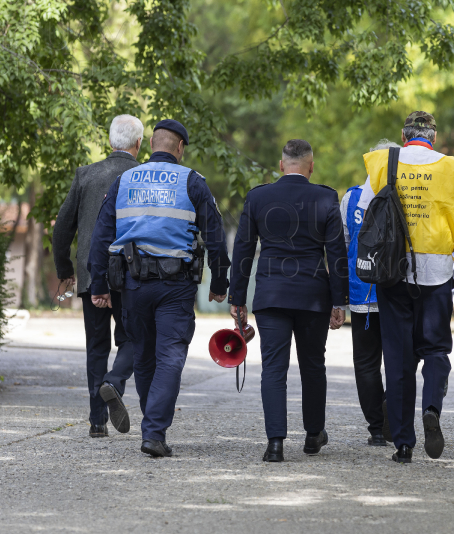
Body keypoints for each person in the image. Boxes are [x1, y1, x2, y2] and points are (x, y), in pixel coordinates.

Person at [88, 119, 231, 458]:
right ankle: (153, 432)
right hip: (175, 286)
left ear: (151, 143)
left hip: (133, 284)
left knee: (145, 355)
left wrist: (99, 284)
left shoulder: (124, 180)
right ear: (180, 147)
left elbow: (100, 236)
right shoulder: (191, 181)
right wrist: (221, 282)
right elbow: (216, 236)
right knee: (170, 356)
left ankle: (151, 428)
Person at [358, 112, 454, 463]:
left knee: (397, 358)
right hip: (437, 274)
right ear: (434, 137)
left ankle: (404, 444)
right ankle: (432, 410)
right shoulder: (453, 170)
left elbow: (367, 215)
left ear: (403, 135)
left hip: (393, 274)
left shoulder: (383, 163)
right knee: (437, 350)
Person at [229, 139, 349, 463]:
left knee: (274, 369)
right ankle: (313, 435)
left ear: (281, 165)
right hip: (313, 296)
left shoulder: (257, 197)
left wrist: (237, 299)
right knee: (313, 365)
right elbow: (336, 252)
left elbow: (242, 249)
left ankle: (275, 444)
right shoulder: (326, 198)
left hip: (271, 295)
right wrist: (340, 302)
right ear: (311, 166)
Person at [52, 115, 141, 438]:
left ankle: (96, 421)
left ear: (110, 142)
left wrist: (65, 269)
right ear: (139, 143)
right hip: (133, 275)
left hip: (91, 274)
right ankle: (114, 383)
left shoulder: (86, 175)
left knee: (97, 346)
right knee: (133, 339)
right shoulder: (142, 175)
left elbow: (62, 228)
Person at [340, 139, 400, 447]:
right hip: (396, 291)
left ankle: (377, 427)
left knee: (365, 361)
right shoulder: (403, 196)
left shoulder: (351, 199)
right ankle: (394, 413)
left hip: (361, 291)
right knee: (399, 358)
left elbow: (344, 244)